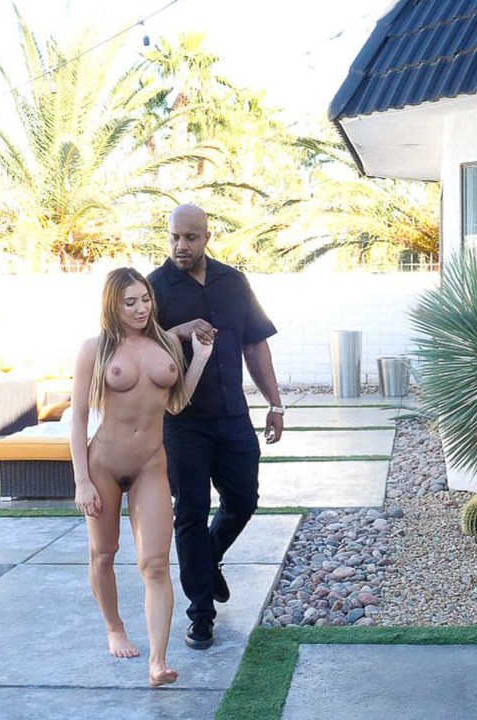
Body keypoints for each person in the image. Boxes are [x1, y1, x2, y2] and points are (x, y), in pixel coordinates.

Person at [147, 203, 285, 650]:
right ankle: (201, 613)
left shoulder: (234, 282)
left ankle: (209, 559)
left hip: (232, 416)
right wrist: (180, 330)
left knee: (244, 500)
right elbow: (136, 348)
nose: (180, 246)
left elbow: (255, 345)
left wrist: (275, 404)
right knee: (190, 512)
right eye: (174, 237)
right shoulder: (154, 287)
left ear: (207, 237)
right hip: (181, 422)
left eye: (190, 238)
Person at [70, 267, 214, 688]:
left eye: (145, 299)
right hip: (103, 465)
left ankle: (157, 662)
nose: (140, 309)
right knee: (104, 553)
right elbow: (78, 417)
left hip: (151, 465)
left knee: (155, 563)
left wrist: (200, 359)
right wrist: (81, 480)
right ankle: (114, 626)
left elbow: (175, 404)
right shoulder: (94, 349)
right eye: (129, 302)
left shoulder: (166, 343)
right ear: (112, 305)